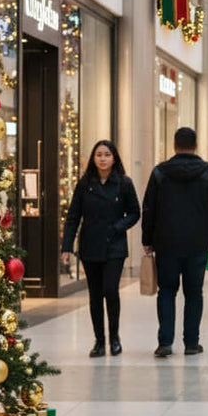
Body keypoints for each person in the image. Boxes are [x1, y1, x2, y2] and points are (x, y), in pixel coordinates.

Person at [141, 127, 208, 358]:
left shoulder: (160, 173)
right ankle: (191, 343)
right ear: (196, 145)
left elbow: (148, 208)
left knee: (166, 291)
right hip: (198, 243)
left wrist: (147, 240)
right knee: (194, 293)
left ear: (174, 145)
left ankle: (165, 342)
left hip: (166, 242)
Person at [61, 140, 140, 357]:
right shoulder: (85, 184)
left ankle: (115, 338)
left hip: (114, 245)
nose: (103, 158)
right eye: (99, 155)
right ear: (93, 159)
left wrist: (119, 226)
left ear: (114, 158)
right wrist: (66, 246)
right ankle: (99, 341)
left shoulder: (124, 183)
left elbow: (135, 212)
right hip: (90, 245)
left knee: (110, 290)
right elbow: (73, 217)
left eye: (107, 154)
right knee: (95, 294)